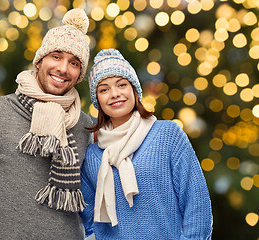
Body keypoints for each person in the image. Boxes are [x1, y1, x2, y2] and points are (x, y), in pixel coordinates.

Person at [0, 9, 93, 240]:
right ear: (39, 61)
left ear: (79, 75)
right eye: (56, 56)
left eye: (74, 63)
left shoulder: (85, 125)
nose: (63, 69)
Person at [79, 49, 213, 239]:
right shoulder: (93, 155)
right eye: (104, 89)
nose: (115, 94)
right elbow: (88, 222)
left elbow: (197, 205)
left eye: (121, 84)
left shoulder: (167, 135)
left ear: (133, 89)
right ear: (97, 100)